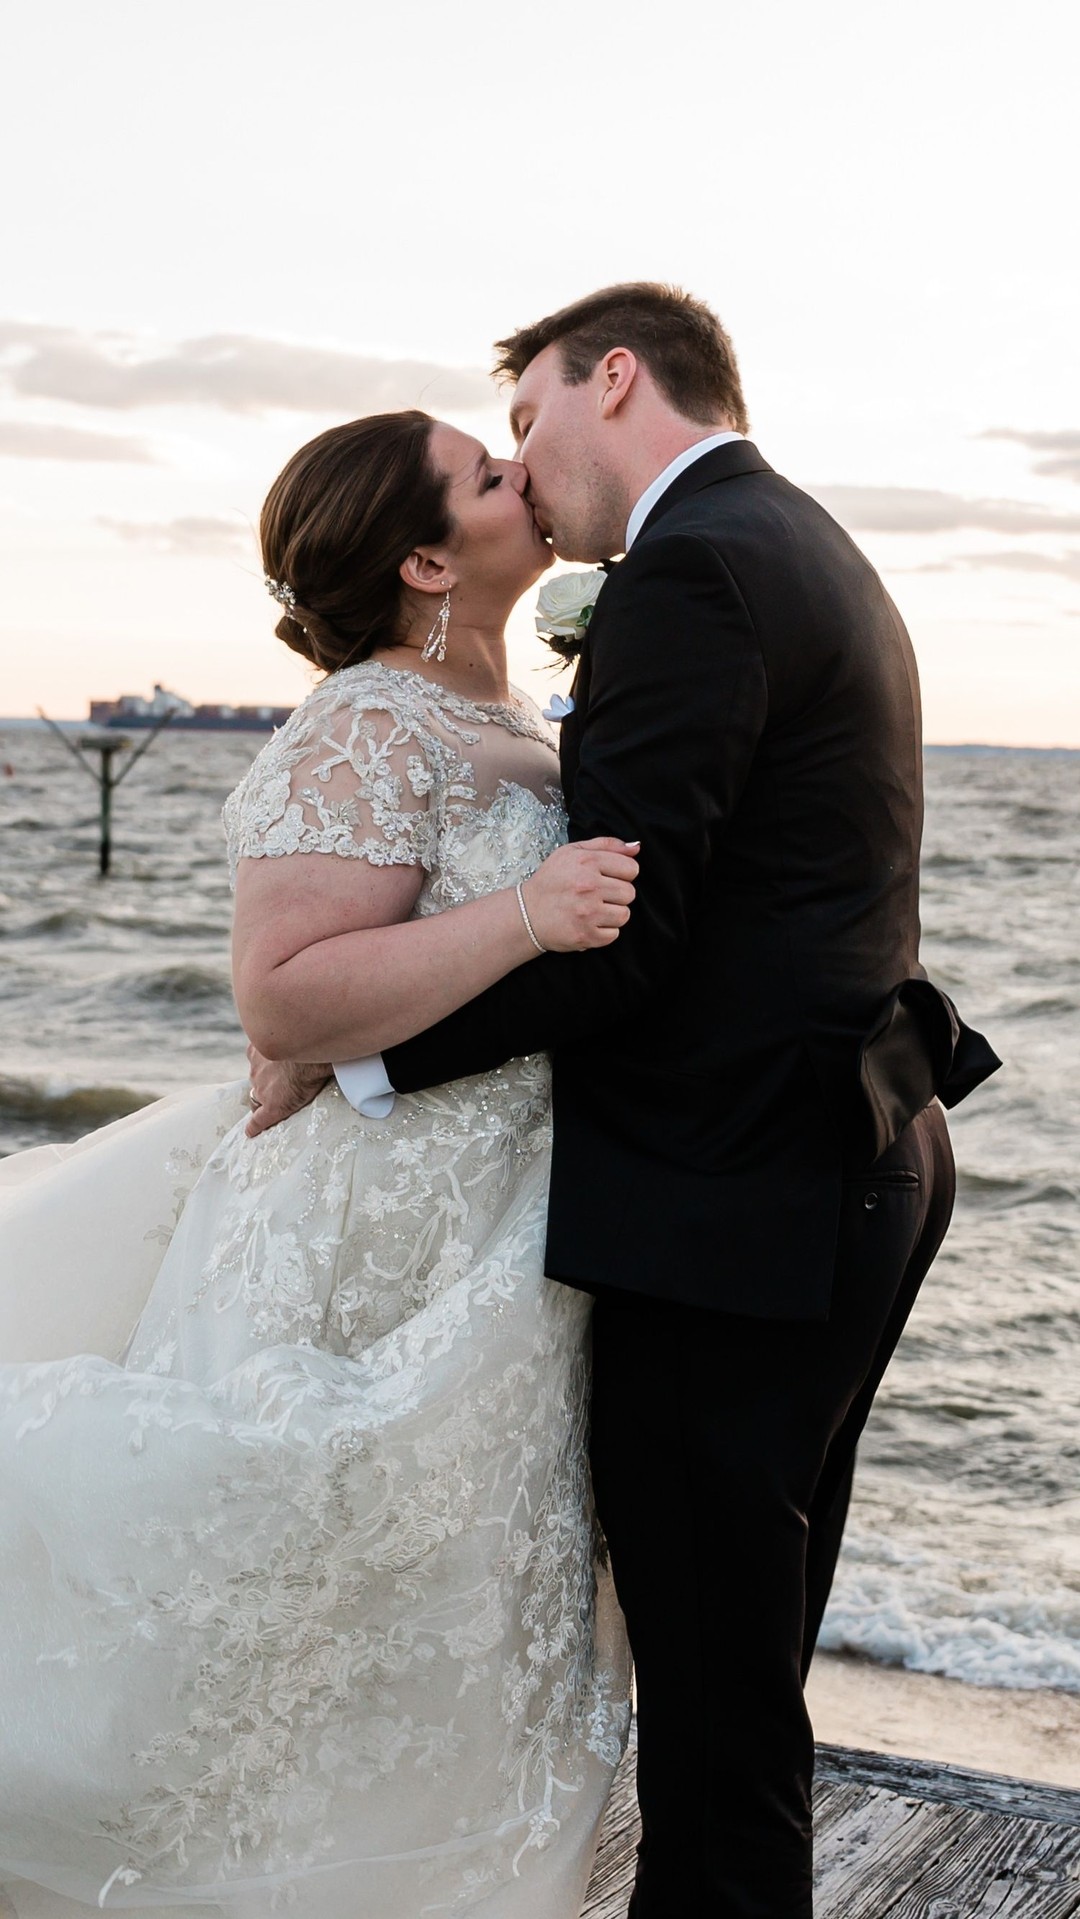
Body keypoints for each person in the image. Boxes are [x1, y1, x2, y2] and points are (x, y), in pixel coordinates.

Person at [252, 285, 1001, 1918]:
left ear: (613, 381)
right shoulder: (789, 536)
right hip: (848, 1154)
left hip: (740, 1198)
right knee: (745, 1676)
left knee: (719, 1721)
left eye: (525, 419)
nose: (525, 462)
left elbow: (631, 946)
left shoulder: (699, 568)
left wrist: (353, 1058)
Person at [0, 410, 636, 1918]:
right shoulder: (361, 725)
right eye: (489, 477)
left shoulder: (512, 715)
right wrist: (528, 915)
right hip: (377, 1215)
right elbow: (284, 997)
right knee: (316, 1555)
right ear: (426, 558)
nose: (524, 476)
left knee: (463, 1583)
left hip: (508, 1208)